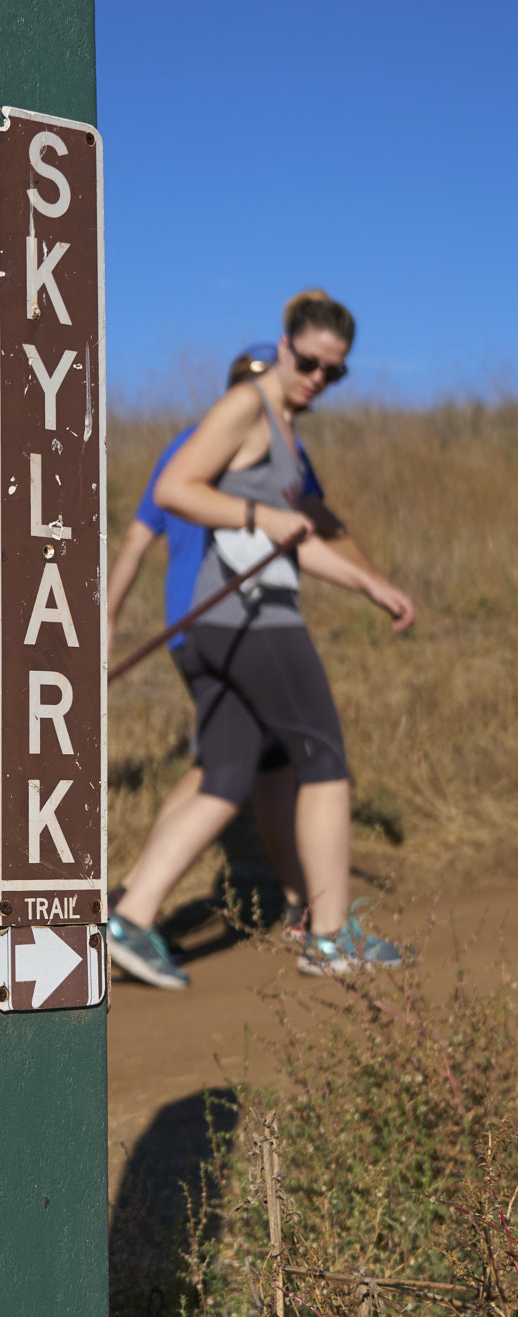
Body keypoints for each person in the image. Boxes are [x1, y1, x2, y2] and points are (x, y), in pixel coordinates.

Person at [107, 290, 416, 989]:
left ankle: (127, 920)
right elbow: (176, 490)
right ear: (283, 346)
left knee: (224, 775)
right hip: (248, 618)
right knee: (323, 757)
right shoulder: (247, 406)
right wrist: (257, 515)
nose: (316, 377)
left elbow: (297, 540)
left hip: (227, 621)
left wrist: (370, 586)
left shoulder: (285, 434)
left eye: (332, 372)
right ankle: (330, 937)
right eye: (308, 361)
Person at [107, 346, 317, 928]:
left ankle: (134, 898)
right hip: (232, 622)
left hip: (195, 632)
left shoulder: (193, 445)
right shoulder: (255, 446)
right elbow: (137, 534)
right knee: (244, 769)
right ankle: (137, 912)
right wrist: (106, 619)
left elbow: (136, 538)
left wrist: (111, 617)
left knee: (234, 764)